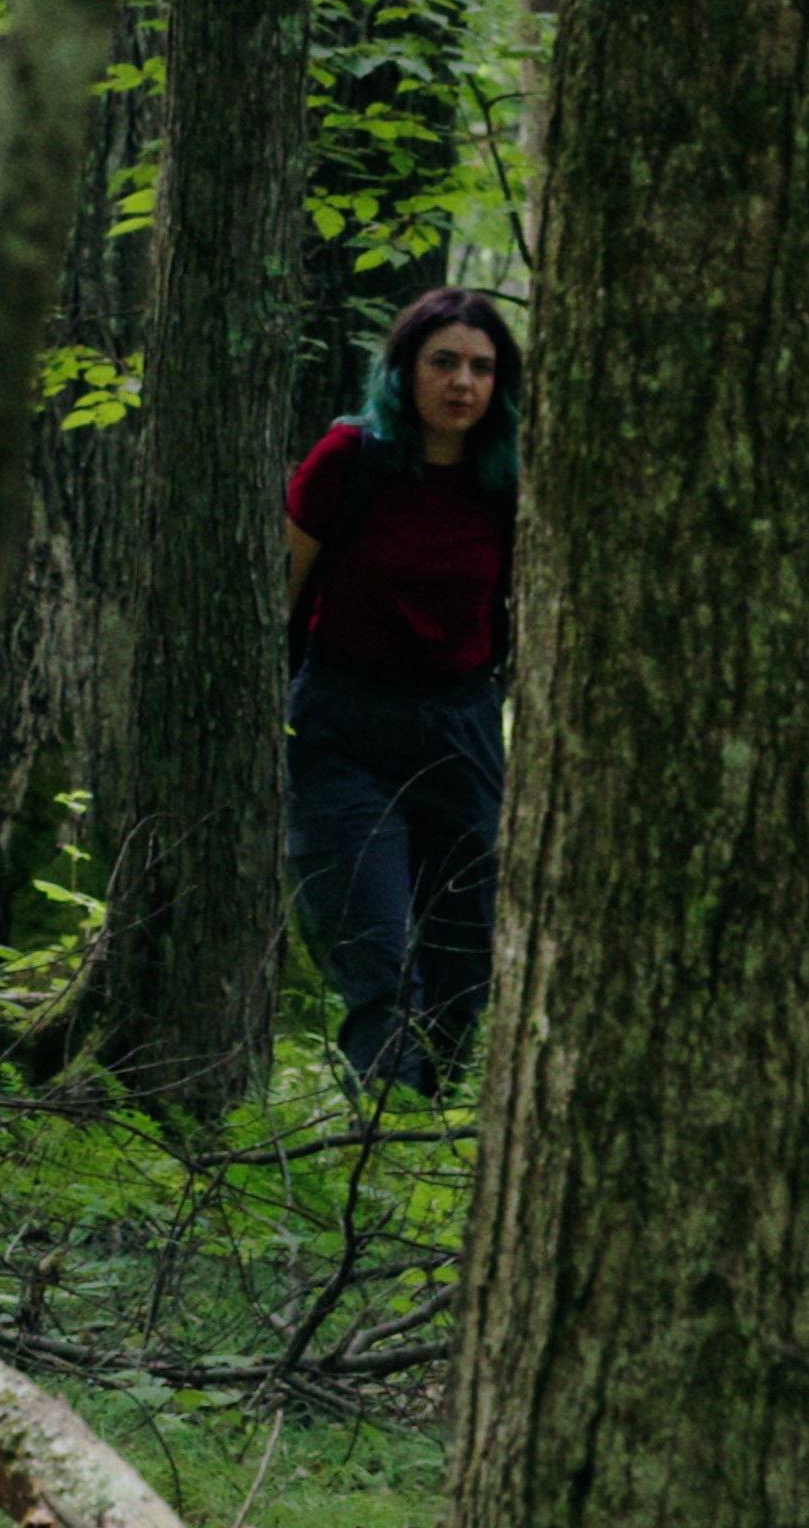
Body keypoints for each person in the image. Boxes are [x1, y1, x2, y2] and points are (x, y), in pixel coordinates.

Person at [282, 286, 521, 1100]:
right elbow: (282, 596)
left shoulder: (512, 481)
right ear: (405, 370)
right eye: (444, 362)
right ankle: (378, 1147)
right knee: (378, 956)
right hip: (342, 726)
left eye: (482, 367)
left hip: (462, 726)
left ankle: (432, 1135)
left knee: (465, 960)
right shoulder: (348, 460)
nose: (463, 382)